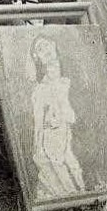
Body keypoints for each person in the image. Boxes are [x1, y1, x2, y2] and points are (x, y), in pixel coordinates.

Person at [30, 35, 85, 199]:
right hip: (53, 136)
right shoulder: (40, 90)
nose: (45, 50)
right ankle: (72, 195)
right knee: (58, 162)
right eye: (40, 49)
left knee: (72, 161)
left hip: (74, 132)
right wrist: (38, 145)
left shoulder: (71, 80)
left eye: (46, 45)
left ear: (54, 45)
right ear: (37, 58)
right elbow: (38, 122)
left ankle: (82, 190)